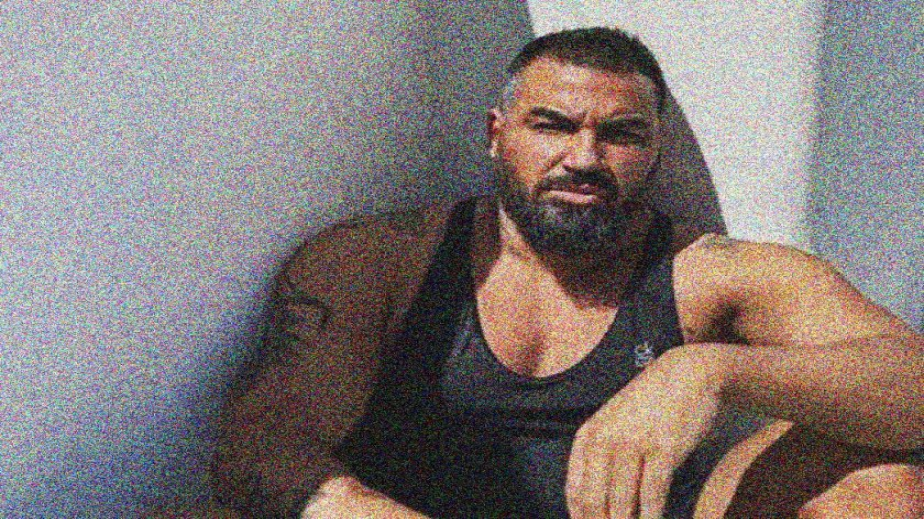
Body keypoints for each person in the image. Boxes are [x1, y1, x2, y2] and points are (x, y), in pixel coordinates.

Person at [212, 27, 923, 518]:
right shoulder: (383, 261)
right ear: (497, 134)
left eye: (620, 134)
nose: (584, 158)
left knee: (883, 486)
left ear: (655, 150)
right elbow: (261, 443)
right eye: (552, 125)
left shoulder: (705, 274)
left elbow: (911, 381)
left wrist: (708, 372)